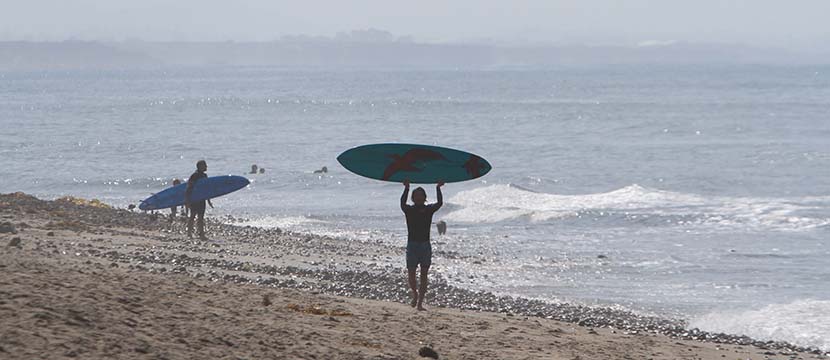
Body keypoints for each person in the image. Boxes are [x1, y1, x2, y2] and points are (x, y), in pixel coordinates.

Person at [400, 179, 444, 311]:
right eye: (416, 195)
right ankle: (415, 293)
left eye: (421, 195)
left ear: (425, 198)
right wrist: (407, 188)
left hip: (425, 245)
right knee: (411, 273)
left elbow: (440, 203)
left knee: (424, 274)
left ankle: (420, 303)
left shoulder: (428, 209)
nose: (419, 197)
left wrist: (438, 188)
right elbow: (402, 203)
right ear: (413, 198)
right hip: (412, 245)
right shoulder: (409, 210)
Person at [185, 160, 213, 240]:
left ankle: (201, 234)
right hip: (194, 199)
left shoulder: (204, 176)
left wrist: (208, 200)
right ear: (200, 166)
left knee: (201, 217)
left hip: (201, 199)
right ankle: (189, 233)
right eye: (205, 165)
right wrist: (187, 200)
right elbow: (189, 188)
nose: (206, 167)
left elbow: (206, 189)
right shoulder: (194, 176)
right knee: (193, 216)